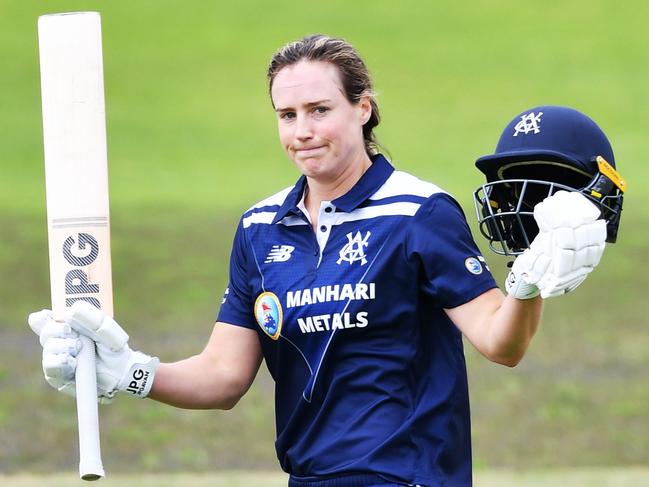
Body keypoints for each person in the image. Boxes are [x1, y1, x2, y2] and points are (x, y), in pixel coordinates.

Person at [28, 36, 618, 487]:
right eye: (288, 116)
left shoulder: (418, 212)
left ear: (363, 109)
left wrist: (528, 284)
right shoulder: (259, 230)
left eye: (319, 110)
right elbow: (224, 377)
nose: (302, 132)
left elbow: (500, 342)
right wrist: (129, 372)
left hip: (407, 477)